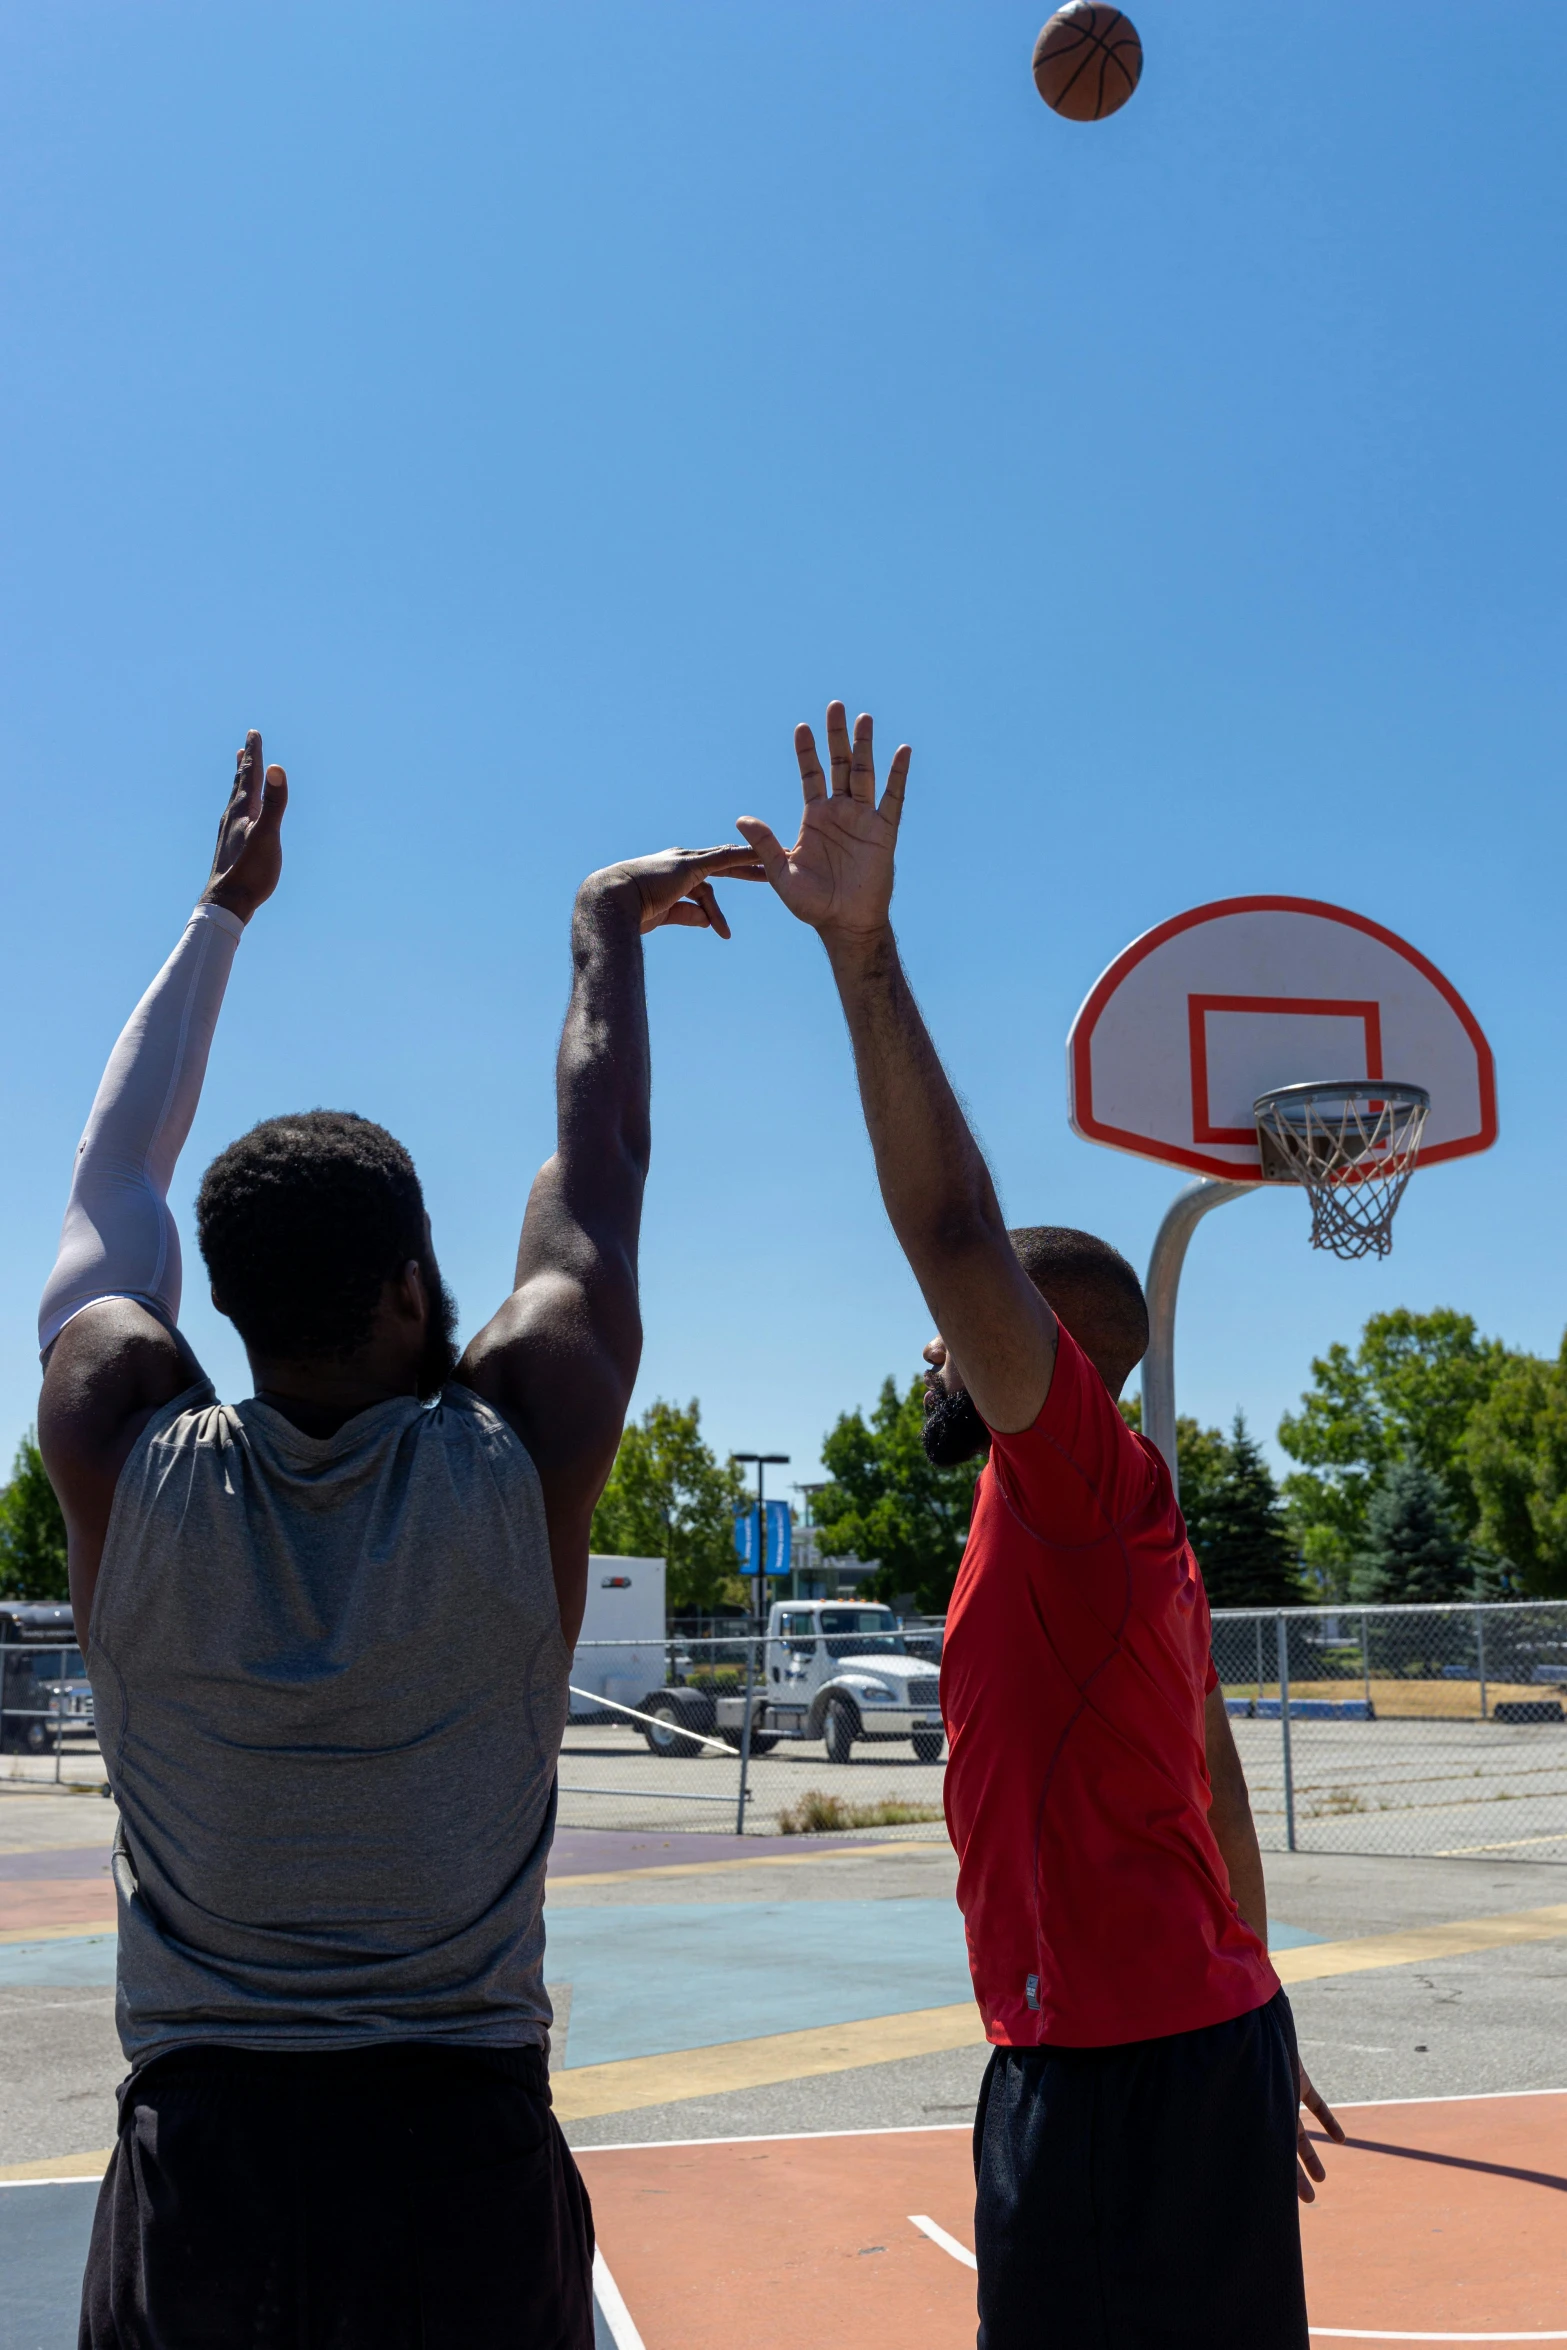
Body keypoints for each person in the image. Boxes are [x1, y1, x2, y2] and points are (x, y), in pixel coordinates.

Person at [38, 731, 762, 2350]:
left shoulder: (114, 1431)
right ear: (402, 1291)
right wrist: (600, 926)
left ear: (221, 1302)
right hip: (455, 2160)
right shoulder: (518, 1445)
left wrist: (222, 910)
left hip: (203, 2164)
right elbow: (598, 1178)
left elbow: (114, 1176)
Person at [737, 704, 1344, 2350]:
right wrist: (1266, 2004)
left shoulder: (1078, 1482)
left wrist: (862, 953)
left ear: (1046, 1360)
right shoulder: (1138, 1539)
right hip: (1188, 2038)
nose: (931, 1347)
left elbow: (948, 1234)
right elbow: (1213, 1781)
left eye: (971, 1338)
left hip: (1115, 2068)